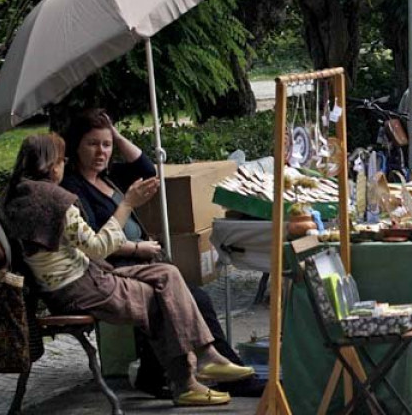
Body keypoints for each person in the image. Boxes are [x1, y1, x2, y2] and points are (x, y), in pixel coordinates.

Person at [0, 134, 249, 407]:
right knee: (158, 299)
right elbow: (98, 247)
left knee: (167, 273)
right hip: (79, 286)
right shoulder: (57, 202)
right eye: (61, 160)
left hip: (80, 277)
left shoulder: (14, 196)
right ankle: (186, 381)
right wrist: (127, 205)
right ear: (51, 164)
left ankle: (207, 355)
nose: (64, 165)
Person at [59, 109, 261, 398]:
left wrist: (113, 132)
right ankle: (223, 372)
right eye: (92, 144)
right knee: (193, 298)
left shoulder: (109, 176)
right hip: (115, 266)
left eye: (106, 145)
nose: (101, 151)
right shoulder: (74, 188)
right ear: (77, 146)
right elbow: (92, 242)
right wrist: (138, 246)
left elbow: (147, 169)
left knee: (179, 296)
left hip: (144, 261)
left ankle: (152, 375)